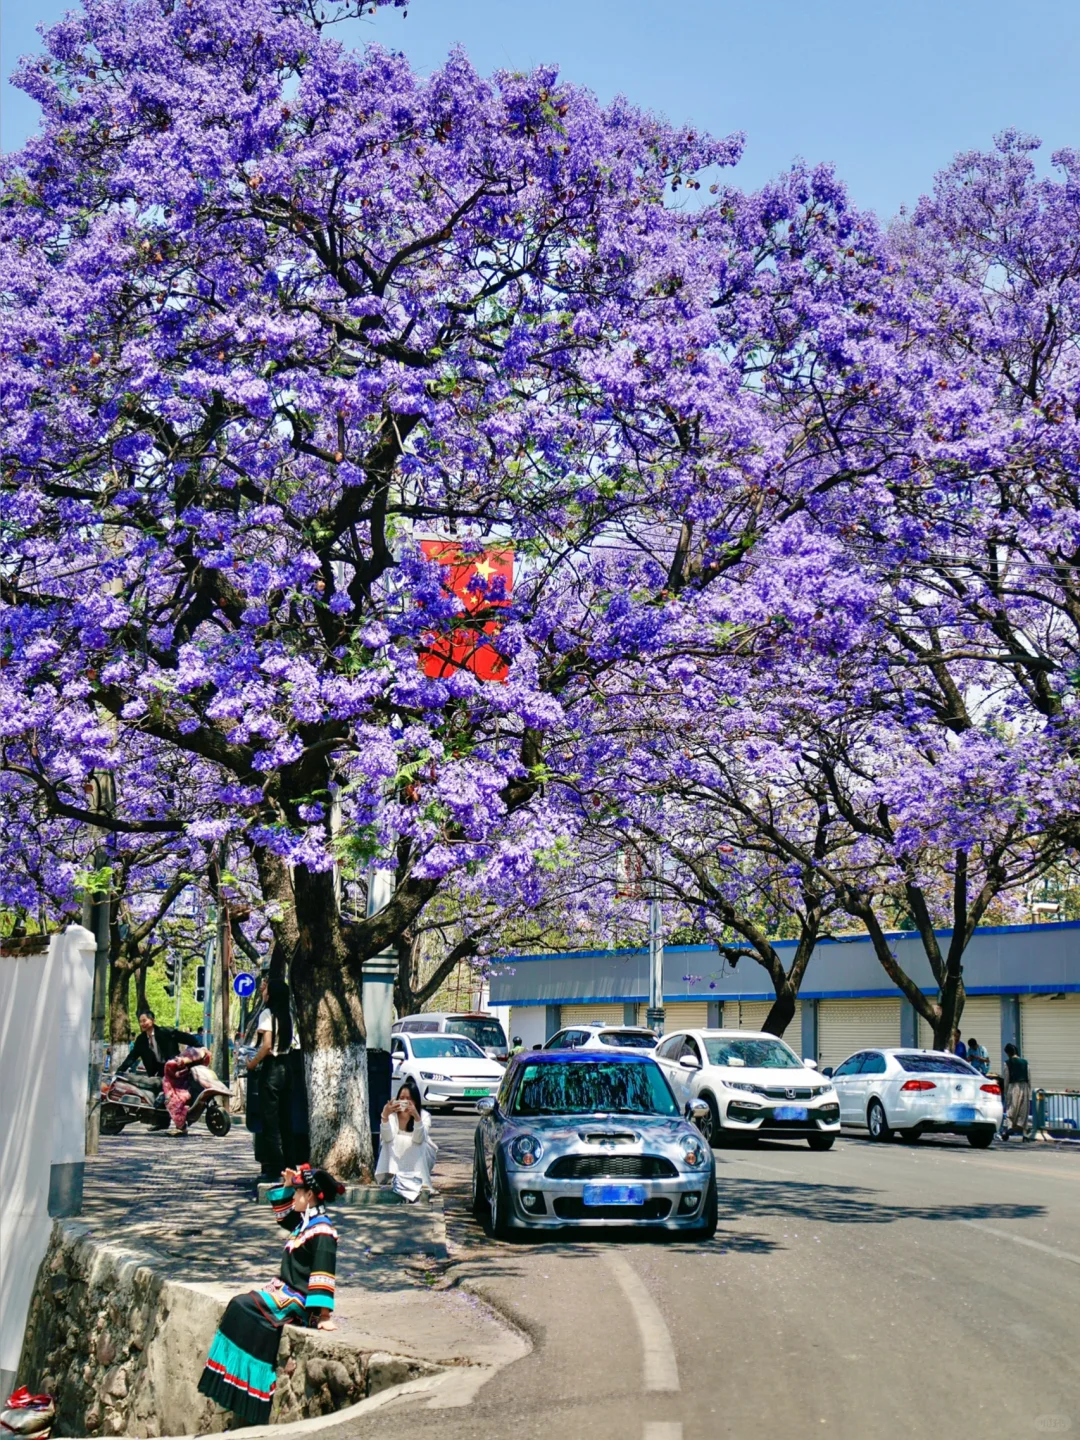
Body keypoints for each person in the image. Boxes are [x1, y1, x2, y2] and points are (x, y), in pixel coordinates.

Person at [198, 1164, 343, 1427]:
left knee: (241, 1305)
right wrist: (288, 1186)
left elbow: (323, 1274)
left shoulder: (323, 1231)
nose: (295, 1196)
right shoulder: (305, 1224)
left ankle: (245, 1389)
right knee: (243, 1308)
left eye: (298, 1192)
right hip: (283, 1291)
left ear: (309, 1196)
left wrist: (323, 1316)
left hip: (299, 1302)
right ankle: (241, 1389)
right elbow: (283, 1216)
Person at [246, 976, 301, 1181]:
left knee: (270, 1121)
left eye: (266, 989)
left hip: (272, 1070)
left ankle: (274, 1168)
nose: (263, 992)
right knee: (286, 1121)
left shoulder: (267, 1014)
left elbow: (267, 1045)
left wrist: (252, 1063)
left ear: (272, 993)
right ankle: (289, 1166)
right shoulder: (287, 1015)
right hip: (287, 1068)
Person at [375, 1077, 437, 1200]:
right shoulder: (393, 1116)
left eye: (408, 1099)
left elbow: (419, 1139)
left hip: (420, 1152)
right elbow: (387, 1138)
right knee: (392, 1141)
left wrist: (416, 1117)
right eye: (402, 1098)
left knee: (416, 1143)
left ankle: (420, 1181)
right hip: (395, 1155)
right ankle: (391, 1176)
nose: (404, 1102)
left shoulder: (424, 1116)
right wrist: (385, 1116)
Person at [117, 1010, 198, 1080]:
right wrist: (120, 1071)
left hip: (173, 1068)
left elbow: (186, 1038)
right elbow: (132, 1056)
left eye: (144, 1020)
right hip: (156, 1073)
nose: (142, 1024)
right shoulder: (141, 1040)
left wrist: (200, 1047)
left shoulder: (166, 1032)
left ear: (152, 1020)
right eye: (140, 1021)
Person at [162, 1044, 211, 1135]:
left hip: (188, 1082)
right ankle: (181, 1126)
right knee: (175, 1100)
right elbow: (171, 1069)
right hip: (174, 1084)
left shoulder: (195, 1054)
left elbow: (201, 1055)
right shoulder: (174, 1064)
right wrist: (181, 1062)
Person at [1002, 1043, 1033, 1141]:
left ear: (1008, 1053)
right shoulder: (1025, 1062)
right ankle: (1024, 1133)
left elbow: (1006, 1079)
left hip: (1013, 1087)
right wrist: (1029, 1090)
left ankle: (1009, 1129)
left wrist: (1006, 1092)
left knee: (1011, 1109)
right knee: (1023, 1110)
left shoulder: (1007, 1063)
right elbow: (1029, 1077)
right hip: (1024, 1087)